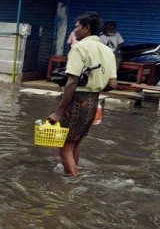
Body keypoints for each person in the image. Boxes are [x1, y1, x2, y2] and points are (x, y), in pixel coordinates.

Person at [47, 12, 118, 177]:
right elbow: (113, 84)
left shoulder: (79, 48)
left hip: (76, 101)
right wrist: (94, 88)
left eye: (77, 27)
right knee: (75, 145)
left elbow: (71, 82)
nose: (74, 31)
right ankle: (72, 176)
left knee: (65, 147)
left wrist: (58, 112)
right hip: (93, 102)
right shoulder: (108, 51)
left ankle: (72, 183)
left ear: (86, 28)